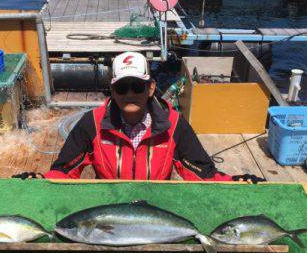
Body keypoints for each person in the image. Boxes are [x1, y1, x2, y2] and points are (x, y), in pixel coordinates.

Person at [44, 52, 265, 183]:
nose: (130, 94)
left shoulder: (175, 125)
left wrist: (234, 182)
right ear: (112, 90)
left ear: (150, 88)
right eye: (122, 87)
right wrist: (40, 182)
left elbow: (203, 173)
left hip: (156, 208)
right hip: (109, 209)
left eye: (137, 86)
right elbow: (64, 169)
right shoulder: (91, 123)